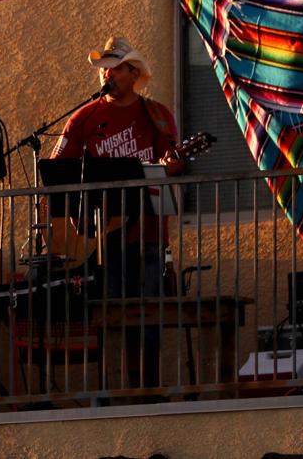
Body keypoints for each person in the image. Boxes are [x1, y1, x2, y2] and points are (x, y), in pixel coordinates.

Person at [47, 35, 183, 390]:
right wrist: (79, 213)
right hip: (105, 242)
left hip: (150, 234)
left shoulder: (157, 115)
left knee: (149, 318)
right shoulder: (84, 118)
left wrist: (173, 164)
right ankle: (114, 392)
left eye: (114, 67)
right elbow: (57, 171)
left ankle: (148, 392)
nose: (105, 74)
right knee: (112, 318)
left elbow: (176, 163)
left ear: (133, 72)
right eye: (103, 69)